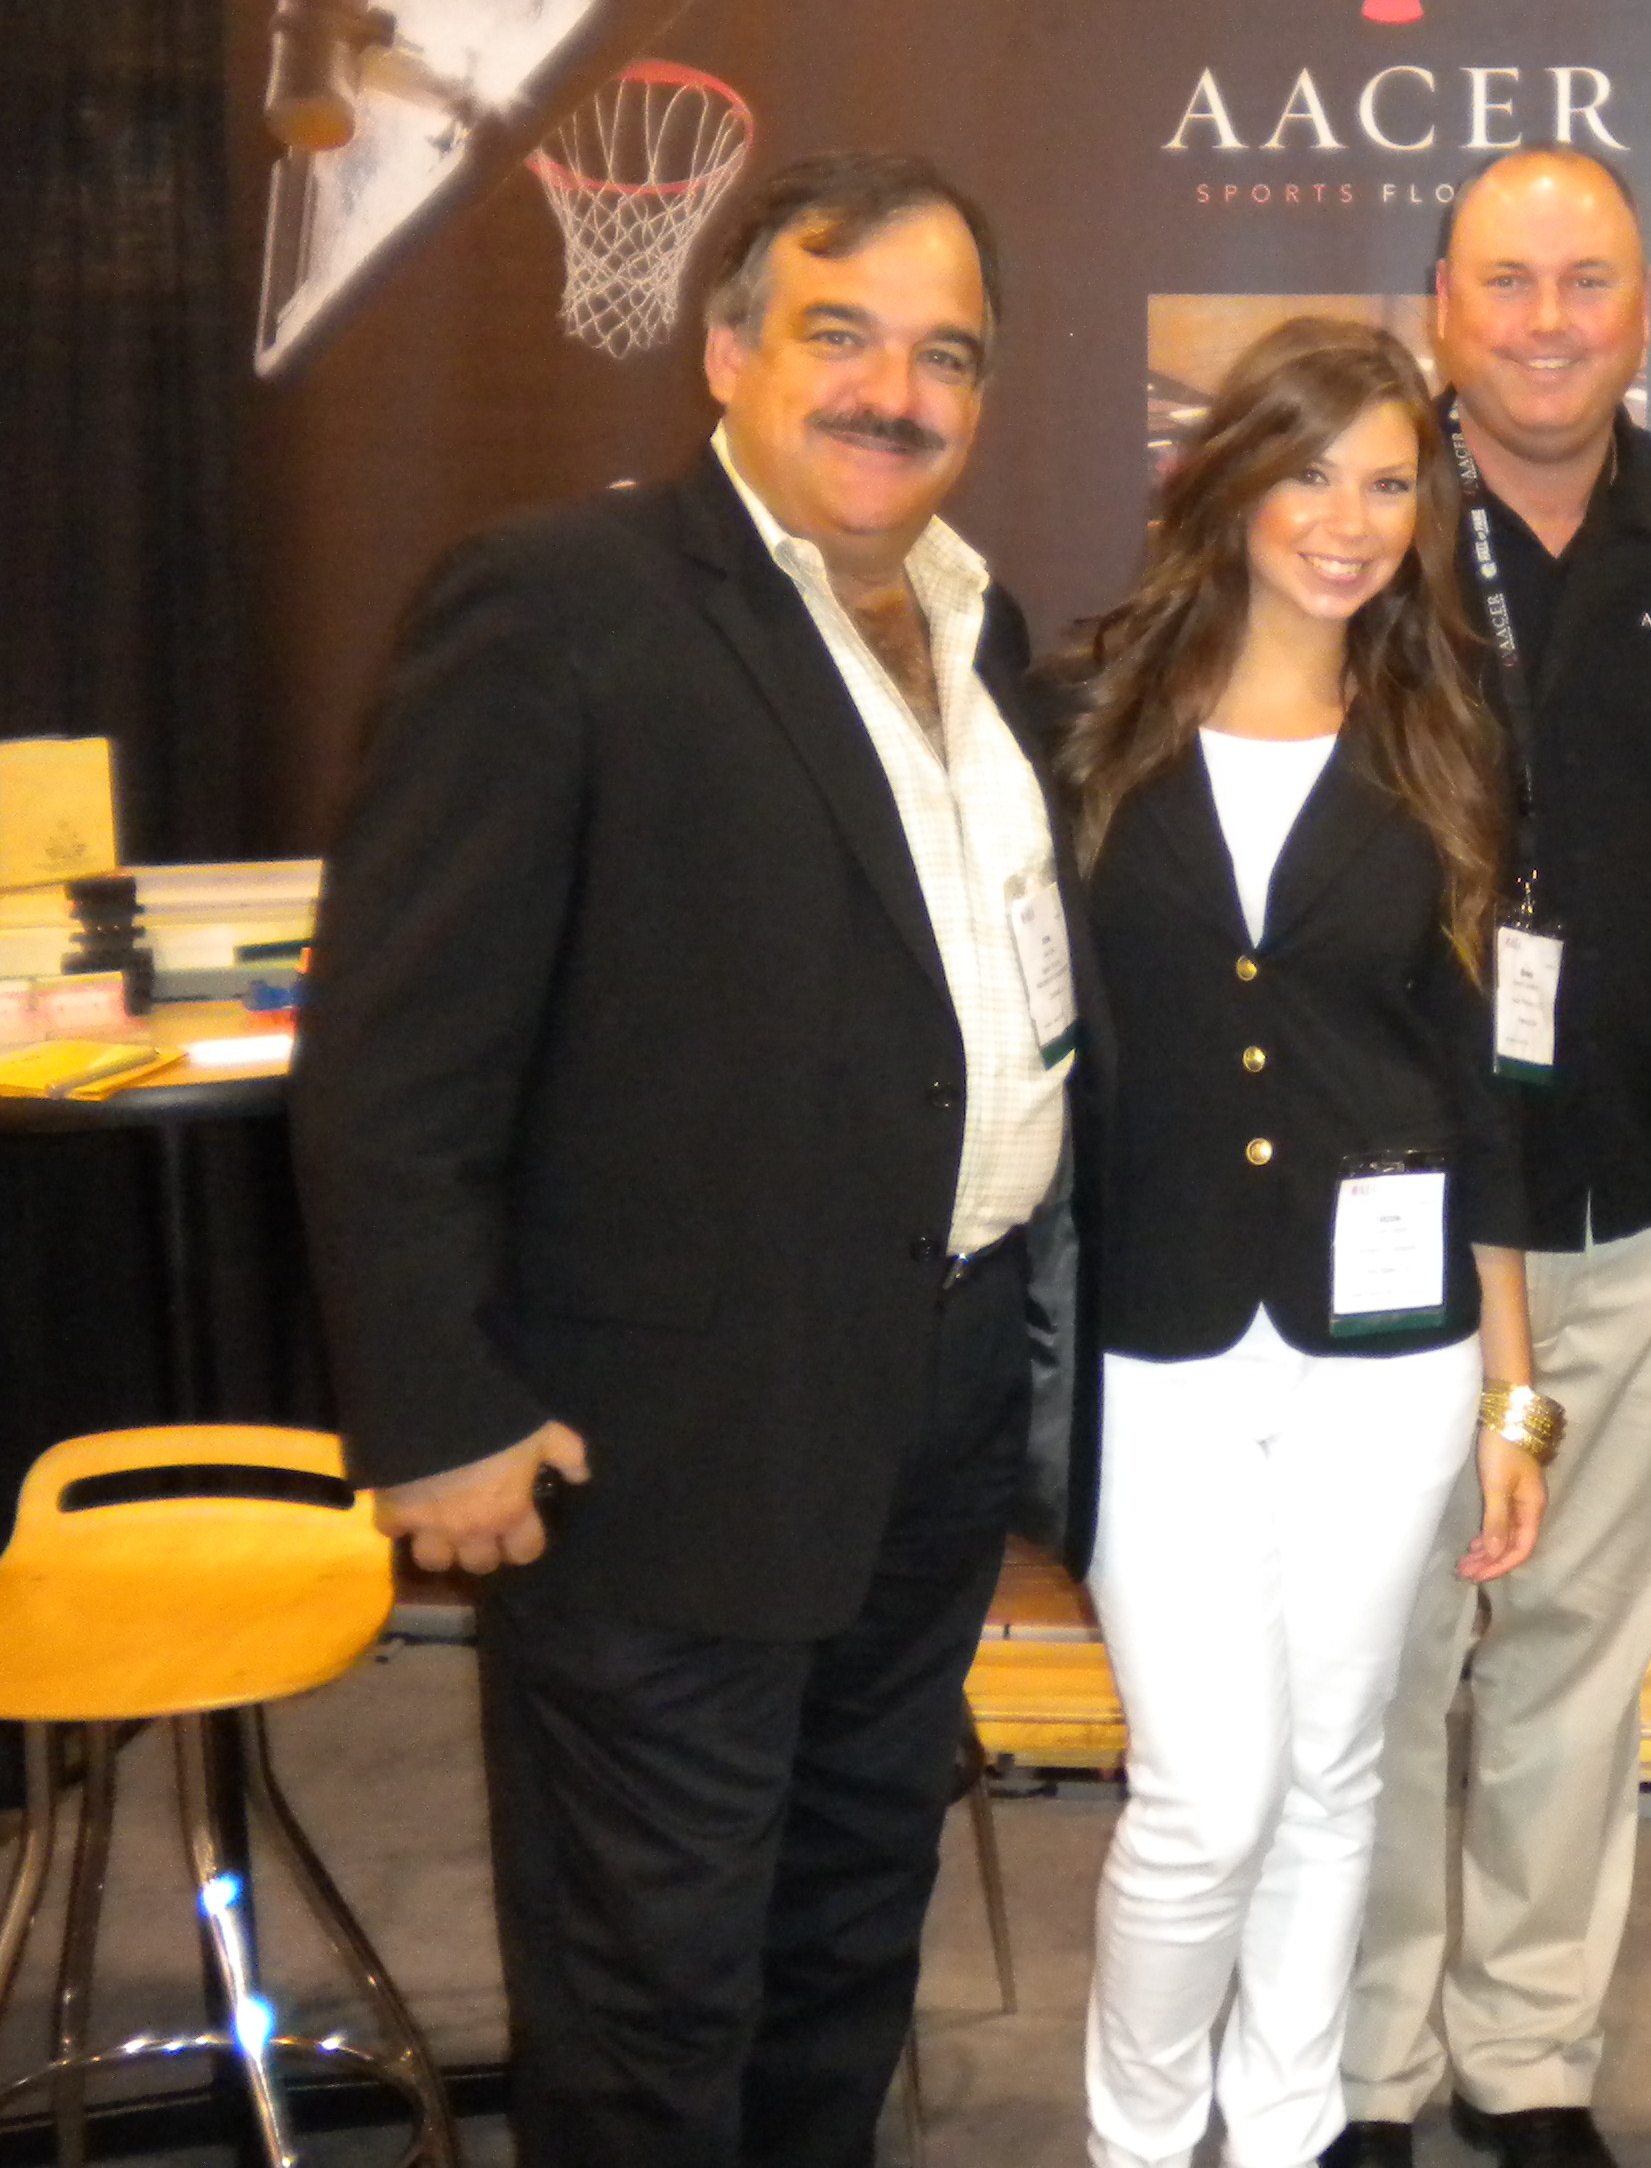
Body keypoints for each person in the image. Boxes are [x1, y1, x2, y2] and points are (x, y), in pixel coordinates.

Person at [293, 150, 1097, 2167]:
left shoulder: (986, 634)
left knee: (847, 1931)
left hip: (929, 1403)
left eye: (944, 355)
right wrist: (443, 1407)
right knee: (650, 1980)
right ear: (727, 351)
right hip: (665, 1439)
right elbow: (397, 1052)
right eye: (841, 335)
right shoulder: (559, 603)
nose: (892, 392)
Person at [1333, 149, 1651, 2168]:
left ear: (1645, 306)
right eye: (1507, 281)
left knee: (1577, 1669)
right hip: (1397, 1224)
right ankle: (1362, 2072)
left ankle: (1527, 2060)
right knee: (1384, 1662)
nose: (1546, 321)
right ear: (1440, 304)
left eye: (1586, 281)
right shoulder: (1356, 522)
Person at [1056, 316, 1549, 2168]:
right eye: (1310, 471)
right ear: (1229, 478)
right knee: (1206, 1794)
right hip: (1153, 1333)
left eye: (1388, 483)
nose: (1346, 521)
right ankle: (1135, 2143)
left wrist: (1513, 1396)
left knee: (1338, 1774)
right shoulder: (1083, 718)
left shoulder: (1447, 741)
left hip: (1393, 1354)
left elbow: (1480, 1086)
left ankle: (1281, 2137)